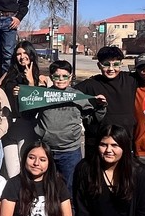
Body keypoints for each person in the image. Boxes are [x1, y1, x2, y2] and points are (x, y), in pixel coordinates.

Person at [34, 59, 106, 191]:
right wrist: (20, 97)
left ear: (70, 77)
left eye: (65, 76)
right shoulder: (42, 96)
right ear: (51, 77)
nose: (61, 79)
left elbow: (92, 119)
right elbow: (28, 115)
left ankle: (70, 211)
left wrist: (101, 107)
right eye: (56, 76)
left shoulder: (78, 96)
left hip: (70, 151)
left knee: (71, 187)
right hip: (46, 150)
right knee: (46, 186)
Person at [75, 46, 138, 154]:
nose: (111, 69)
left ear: (121, 64)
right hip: (97, 144)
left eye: (116, 64)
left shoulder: (131, 80)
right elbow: (64, 93)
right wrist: (46, 81)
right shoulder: (90, 84)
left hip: (125, 141)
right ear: (99, 65)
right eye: (106, 64)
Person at [1, 42, 48, 178]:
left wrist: (30, 84)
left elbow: (39, 105)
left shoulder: (40, 77)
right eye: (18, 54)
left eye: (25, 53)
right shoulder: (9, 74)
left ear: (31, 54)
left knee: (26, 169)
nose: (22, 57)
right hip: (9, 125)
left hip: (26, 125)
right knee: (12, 173)